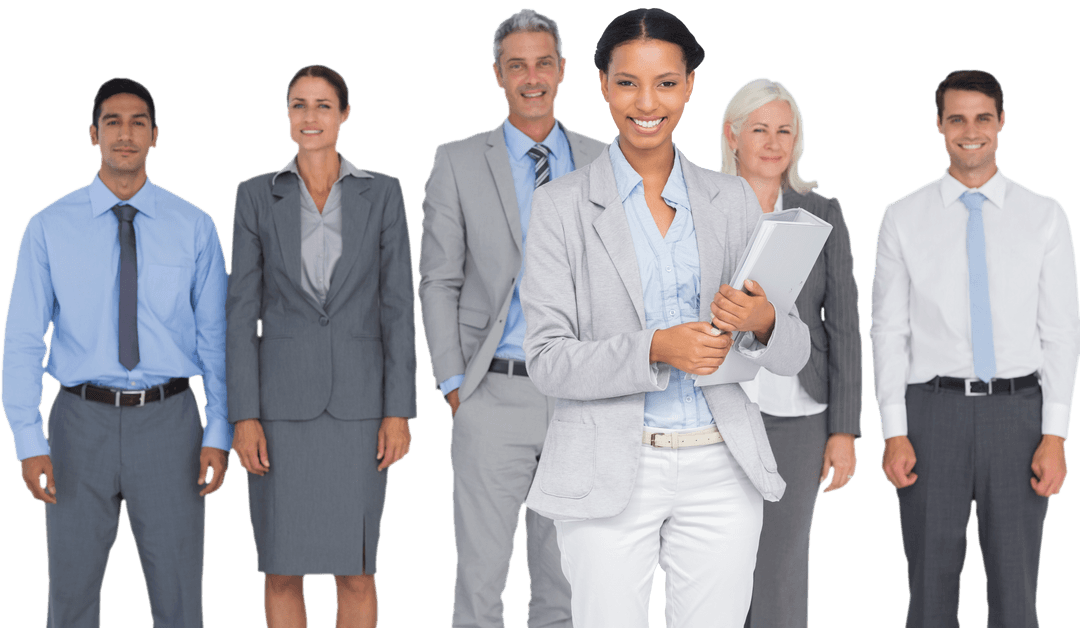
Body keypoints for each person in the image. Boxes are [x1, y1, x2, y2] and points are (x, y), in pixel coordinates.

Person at [519, 9, 810, 627]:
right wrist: (655, 347)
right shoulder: (560, 207)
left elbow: (793, 354)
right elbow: (545, 360)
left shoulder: (730, 200)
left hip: (721, 467)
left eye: (666, 83)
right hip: (606, 470)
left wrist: (763, 322)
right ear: (601, 84)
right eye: (627, 82)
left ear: (690, 87)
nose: (647, 101)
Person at [1, 77, 232, 628]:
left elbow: (217, 338)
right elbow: (24, 339)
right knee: (72, 597)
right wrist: (27, 438)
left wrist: (218, 430)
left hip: (171, 422)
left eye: (137, 123)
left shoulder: (194, 227)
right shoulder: (48, 228)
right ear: (92, 134)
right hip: (79, 425)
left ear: (156, 136)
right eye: (112, 122)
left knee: (179, 597)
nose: (124, 134)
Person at [418, 8, 606, 627]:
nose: (532, 77)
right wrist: (453, 384)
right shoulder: (456, 161)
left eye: (544, 62)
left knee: (565, 583)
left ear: (563, 70)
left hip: (580, 398)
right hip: (491, 392)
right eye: (517, 65)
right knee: (480, 579)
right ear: (497, 74)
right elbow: (439, 278)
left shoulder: (606, 160)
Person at [870, 69, 1078, 628]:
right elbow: (888, 330)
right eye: (956, 118)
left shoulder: (1045, 217)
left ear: (1001, 122)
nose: (970, 131)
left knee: (1016, 589)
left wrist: (1055, 434)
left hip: (1019, 415)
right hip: (932, 415)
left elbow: (1061, 332)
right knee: (930, 588)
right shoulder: (902, 217)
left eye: (983, 117)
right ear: (938, 125)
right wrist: (894, 430)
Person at [226, 64, 415, 628]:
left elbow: (399, 307)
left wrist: (398, 410)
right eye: (299, 105)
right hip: (280, 409)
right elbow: (240, 313)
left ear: (344, 114)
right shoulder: (256, 195)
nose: (311, 117)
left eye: (323, 105)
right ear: (287, 115)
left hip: (359, 409)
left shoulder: (382, 193)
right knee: (281, 569)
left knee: (355, 570)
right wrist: (245, 415)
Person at [719, 77, 862, 628]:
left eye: (785, 130)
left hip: (800, 416)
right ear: (733, 135)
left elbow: (845, 326)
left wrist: (843, 431)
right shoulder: (700, 204)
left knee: (780, 569)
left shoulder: (821, 212)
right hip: (723, 411)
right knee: (719, 567)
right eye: (760, 129)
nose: (774, 142)